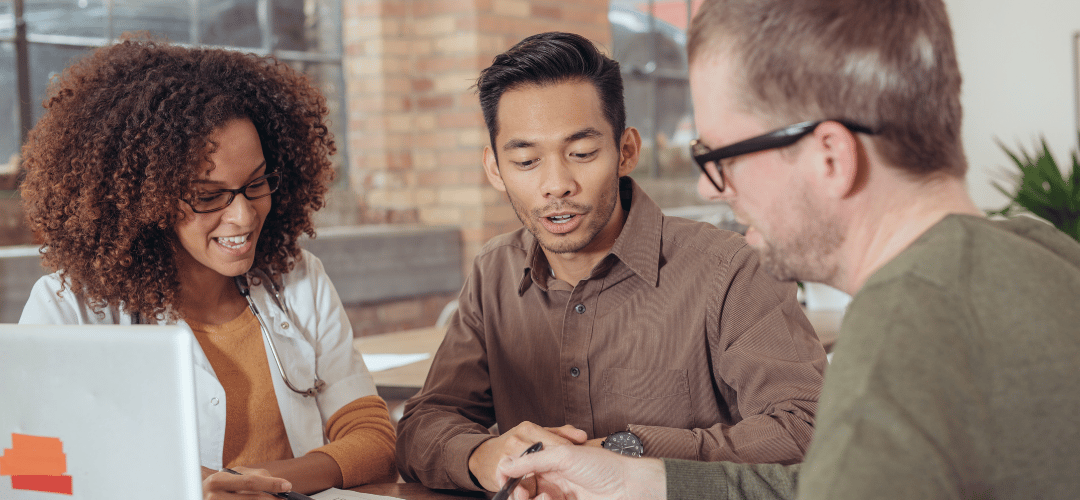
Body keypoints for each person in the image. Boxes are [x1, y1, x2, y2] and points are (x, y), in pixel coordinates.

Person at [495, 1, 1080, 499]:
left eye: (721, 157)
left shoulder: (906, 324)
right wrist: (638, 481)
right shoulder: (1047, 255)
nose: (708, 185)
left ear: (830, 157)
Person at [395, 31, 828, 493]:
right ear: (495, 170)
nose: (556, 184)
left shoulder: (728, 269)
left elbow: (807, 427)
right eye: (525, 162)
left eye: (582, 154)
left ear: (626, 152)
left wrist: (626, 450)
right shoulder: (494, 271)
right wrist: (486, 456)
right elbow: (424, 424)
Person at [18, 37, 397, 497]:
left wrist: (253, 485)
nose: (244, 215)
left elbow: (374, 442)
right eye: (208, 195)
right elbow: (30, 468)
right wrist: (186, 489)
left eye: (256, 183)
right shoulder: (69, 308)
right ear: (146, 196)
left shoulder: (298, 279)